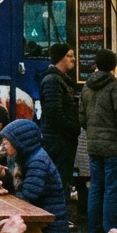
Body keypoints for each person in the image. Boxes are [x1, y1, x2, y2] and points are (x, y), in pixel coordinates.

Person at [80, 49, 117, 233]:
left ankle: (93, 232)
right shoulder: (116, 88)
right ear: (113, 66)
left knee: (96, 187)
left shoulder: (87, 87)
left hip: (95, 146)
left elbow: (82, 117)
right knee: (113, 189)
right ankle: (110, 232)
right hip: (115, 147)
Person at [0, 119, 70, 233]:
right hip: (40, 221)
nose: (3, 144)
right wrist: (3, 176)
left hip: (50, 227)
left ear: (19, 141)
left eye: (7, 140)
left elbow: (27, 197)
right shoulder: (24, 157)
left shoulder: (38, 161)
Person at [39, 43, 81, 200]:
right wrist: (71, 129)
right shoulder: (52, 81)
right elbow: (53, 113)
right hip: (57, 140)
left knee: (62, 180)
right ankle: (57, 219)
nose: (74, 59)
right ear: (60, 58)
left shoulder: (60, 80)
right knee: (58, 180)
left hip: (61, 139)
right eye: (69, 56)